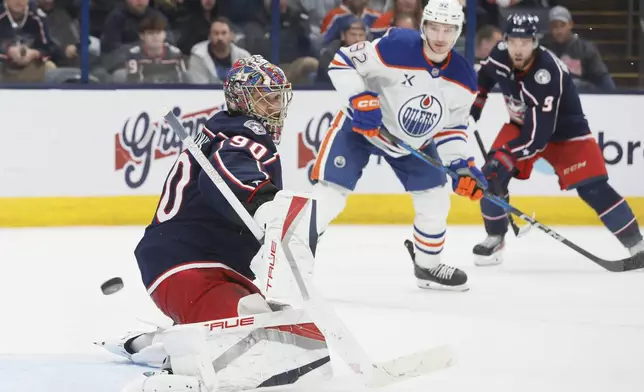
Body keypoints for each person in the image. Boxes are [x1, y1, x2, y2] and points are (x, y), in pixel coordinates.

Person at [97, 55, 333, 391]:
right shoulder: (241, 137)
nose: (275, 105)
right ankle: (175, 373)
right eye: (265, 97)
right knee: (257, 340)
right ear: (241, 99)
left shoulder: (226, 133)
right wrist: (268, 208)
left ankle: (152, 343)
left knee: (280, 332)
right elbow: (230, 174)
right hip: (189, 268)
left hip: (201, 267)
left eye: (278, 96)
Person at [311, 0, 488, 292]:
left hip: (410, 144)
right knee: (330, 194)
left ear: (458, 32)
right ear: (424, 25)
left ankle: (428, 266)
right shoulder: (396, 44)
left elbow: (451, 129)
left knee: (435, 199)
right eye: (434, 27)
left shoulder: (464, 78)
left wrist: (460, 165)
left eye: (448, 29)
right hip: (361, 128)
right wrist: (359, 99)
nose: (440, 36)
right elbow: (342, 62)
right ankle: (291, 263)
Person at [470, 13, 644, 266]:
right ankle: (495, 237)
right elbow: (486, 75)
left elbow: (537, 138)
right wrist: (477, 105)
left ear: (536, 42)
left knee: (593, 187)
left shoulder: (546, 74)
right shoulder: (499, 53)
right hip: (522, 126)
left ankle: (637, 244)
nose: (518, 49)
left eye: (525, 42)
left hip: (565, 133)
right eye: (514, 42)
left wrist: (504, 156)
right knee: (491, 175)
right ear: (506, 40)